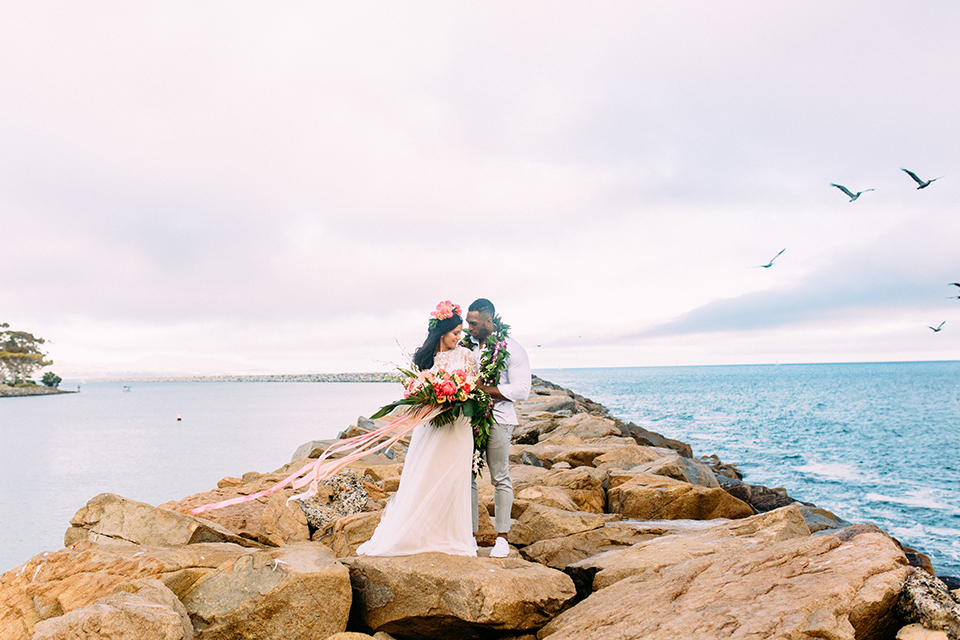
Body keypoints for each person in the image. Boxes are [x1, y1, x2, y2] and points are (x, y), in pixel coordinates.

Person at [356, 302, 479, 557]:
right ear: (441, 332)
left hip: (457, 425)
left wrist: (459, 394)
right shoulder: (424, 359)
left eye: (460, 333)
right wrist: (432, 396)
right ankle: (417, 532)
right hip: (431, 424)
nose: (459, 337)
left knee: (454, 477)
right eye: (455, 333)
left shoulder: (466, 356)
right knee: (426, 474)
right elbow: (416, 391)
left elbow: (474, 387)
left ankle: (451, 534)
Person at [464, 298, 531, 558]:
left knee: (499, 477)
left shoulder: (512, 349)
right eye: (468, 323)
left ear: (489, 321)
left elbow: (522, 390)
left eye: (474, 323)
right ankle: (468, 536)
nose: (469, 327)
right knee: (466, 476)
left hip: (499, 419)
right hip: (468, 420)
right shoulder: (467, 348)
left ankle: (502, 538)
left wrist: (484, 391)